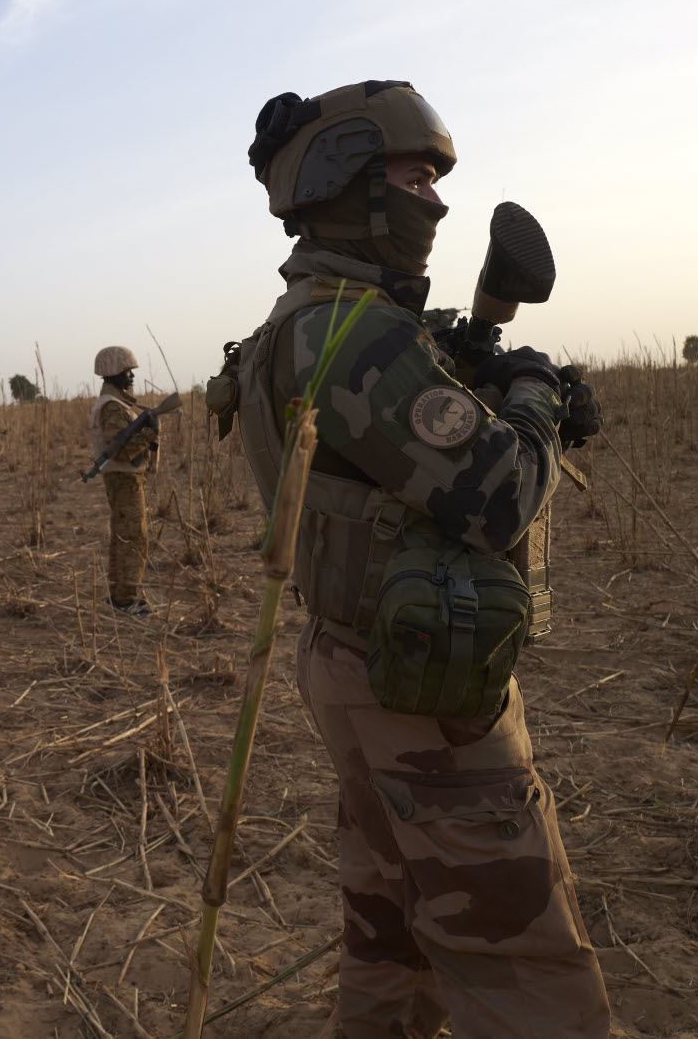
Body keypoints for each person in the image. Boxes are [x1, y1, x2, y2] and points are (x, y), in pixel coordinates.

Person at [230, 81, 609, 1037]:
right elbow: (495, 496)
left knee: (390, 931)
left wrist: (501, 380)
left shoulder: (307, 320)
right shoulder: (356, 333)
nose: (434, 200)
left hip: (356, 658)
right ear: (346, 181)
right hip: (422, 691)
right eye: (415, 175)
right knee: (522, 961)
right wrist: (535, 402)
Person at [89, 346, 157, 615]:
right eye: (126, 371)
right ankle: (127, 600)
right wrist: (150, 434)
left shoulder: (114, 403)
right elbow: (120, 448)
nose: (131, 377)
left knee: (122, 537)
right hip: (124, 478)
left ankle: (119, 596)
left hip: (121, 478)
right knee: (132, 538)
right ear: (113, 373)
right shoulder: (113, 407)